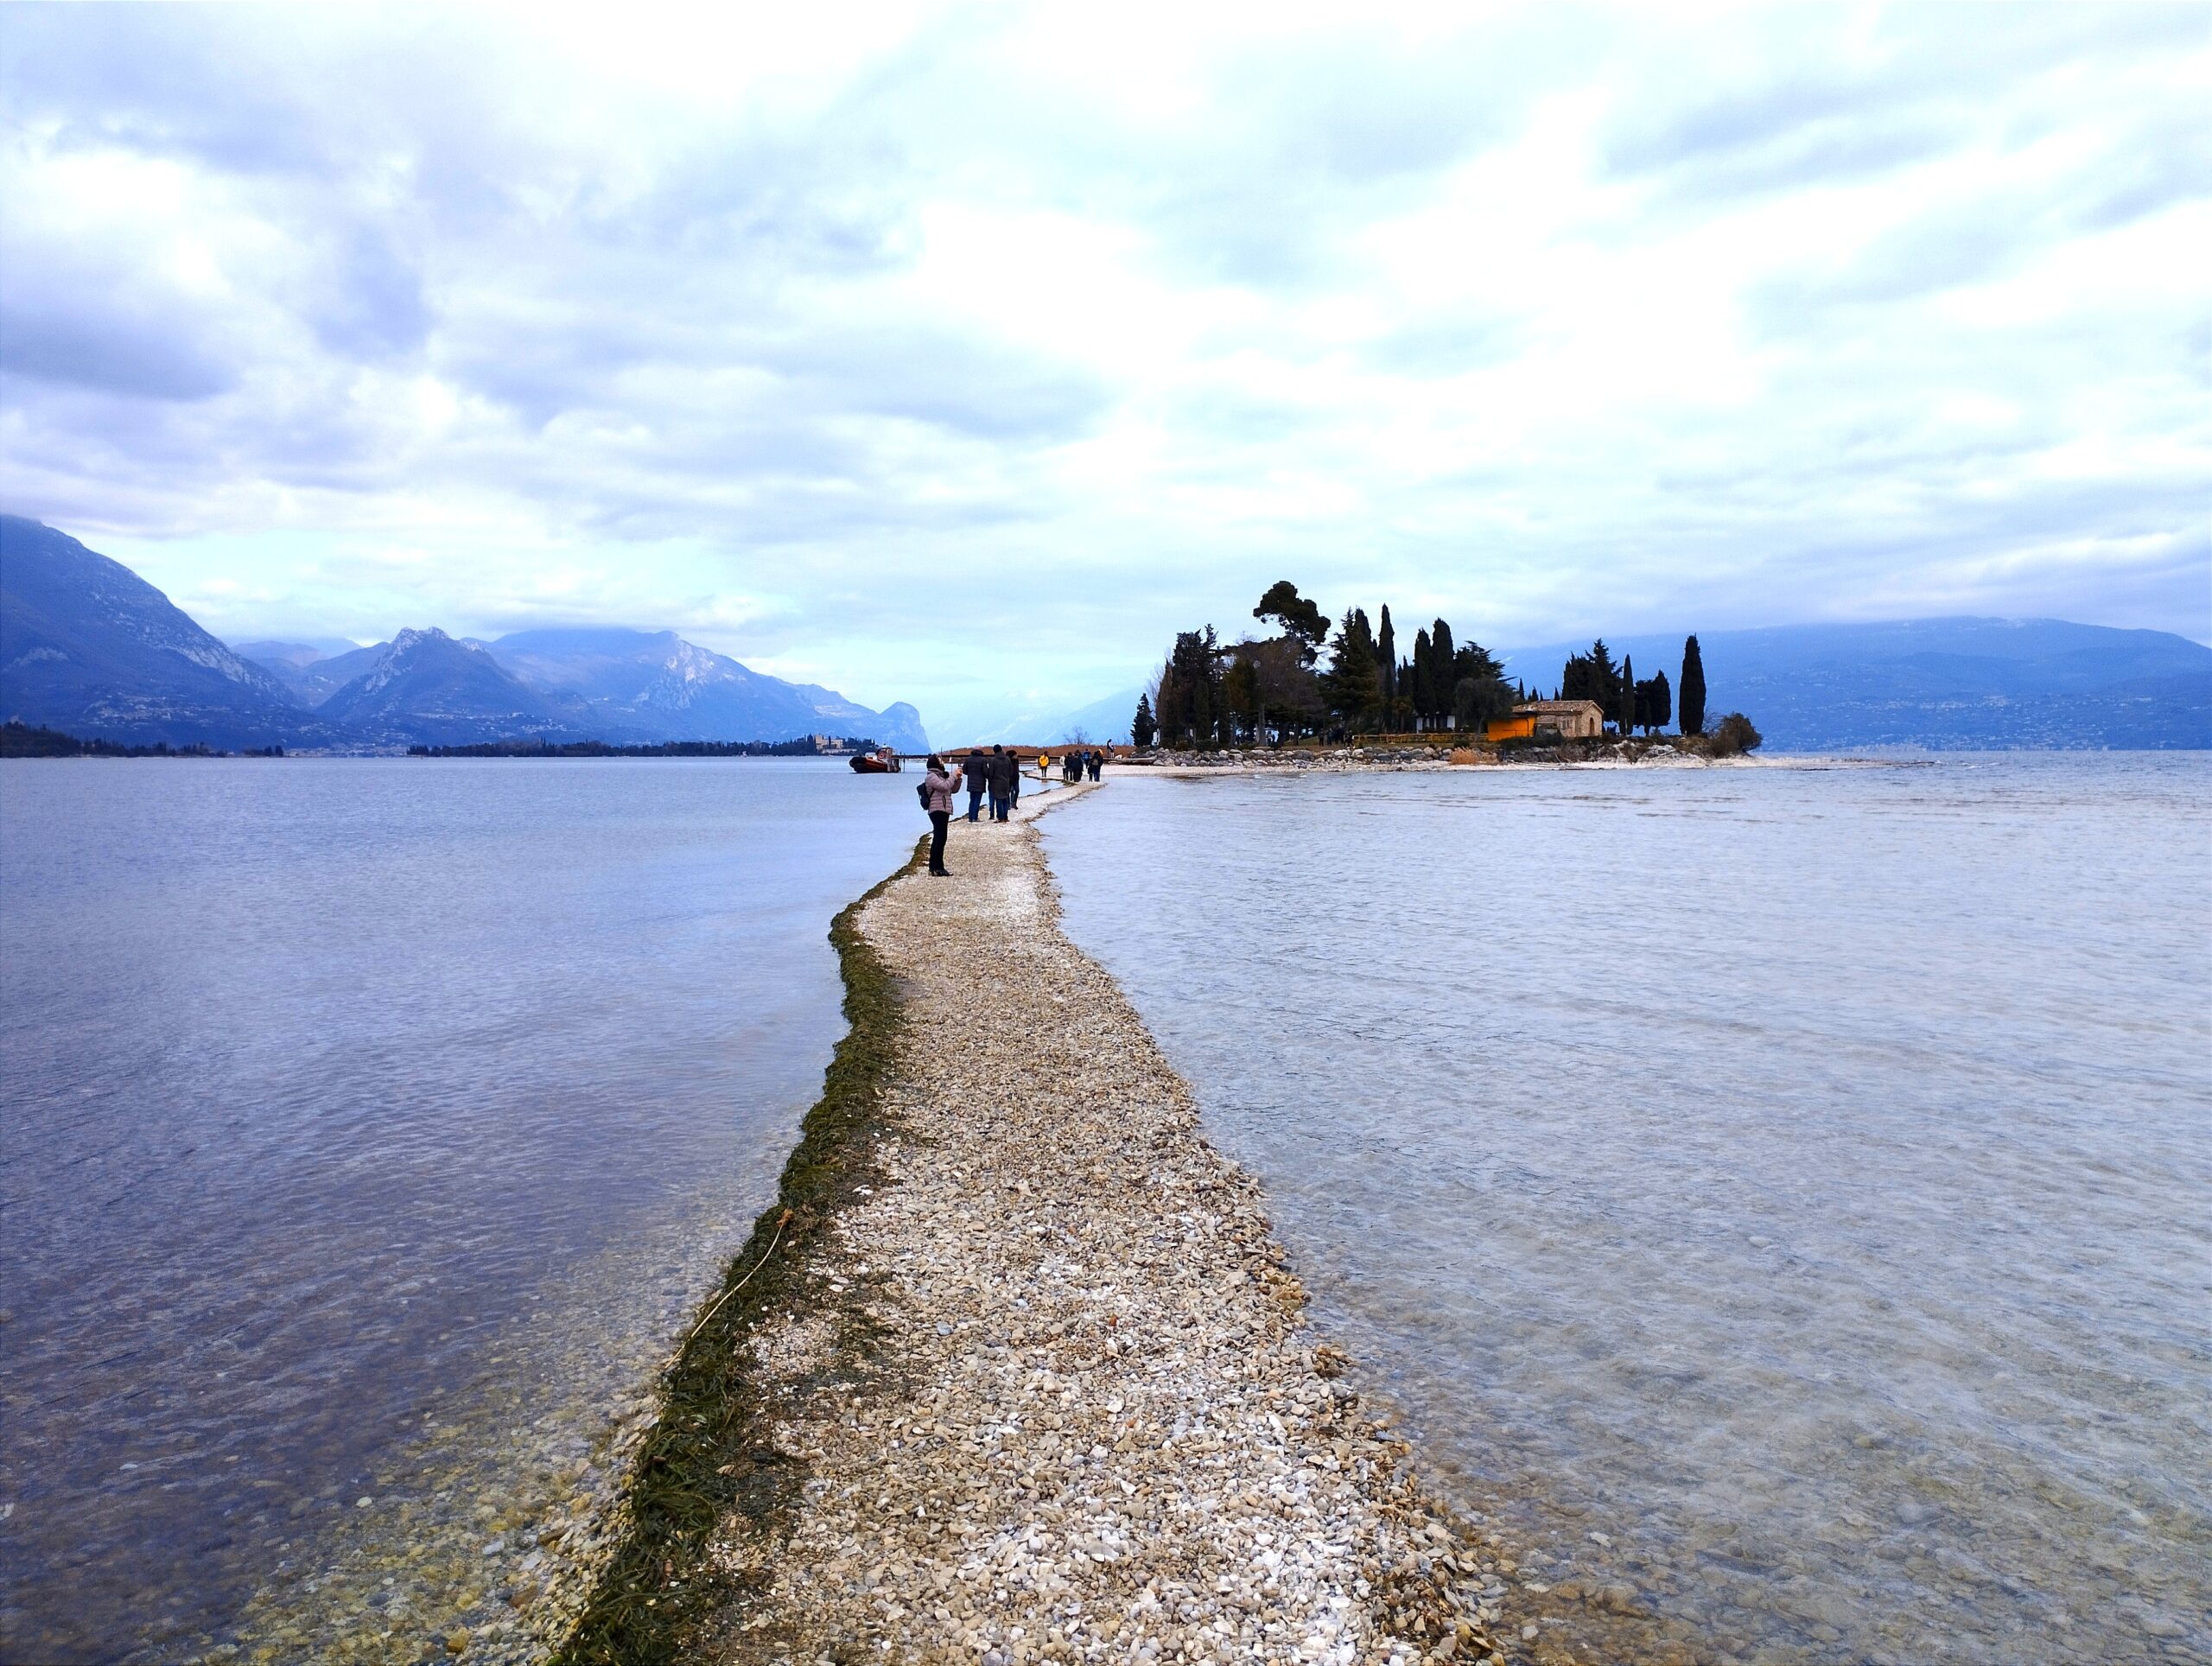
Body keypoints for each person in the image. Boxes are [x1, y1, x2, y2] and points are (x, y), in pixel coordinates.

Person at [920, 754, 957, 875]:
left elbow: (953, 789)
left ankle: (934, 867)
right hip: (937, 810)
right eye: (940, 760)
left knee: (940, 838)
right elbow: (944, 786)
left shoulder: (941, 776)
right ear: (935, 763)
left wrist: (958, 778)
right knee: (939, 838)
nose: (942, 761)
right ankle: (938, 867)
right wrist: (953, 776)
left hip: (943, 809)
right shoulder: (931, 776)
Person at [988, 743, 1015, 821]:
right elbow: (1011, 771)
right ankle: (1005, 817)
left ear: (994, 751)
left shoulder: (993, 760)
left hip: (996, 783)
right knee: (1005, 800)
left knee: (999, 800)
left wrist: (990, 782)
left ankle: (1000, 817)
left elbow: (991, 773)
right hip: (1006, 782)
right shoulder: (1007, 759)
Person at [962, 747, 989, 822]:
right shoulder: (983, 760)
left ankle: (970, 817)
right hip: (980, 783)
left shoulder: (968, 759)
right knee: (977, 800)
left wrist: (970, 774)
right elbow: (986, 772)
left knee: (972, 800)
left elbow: (964, 770)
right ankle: (975, 817)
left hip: (971, 783)